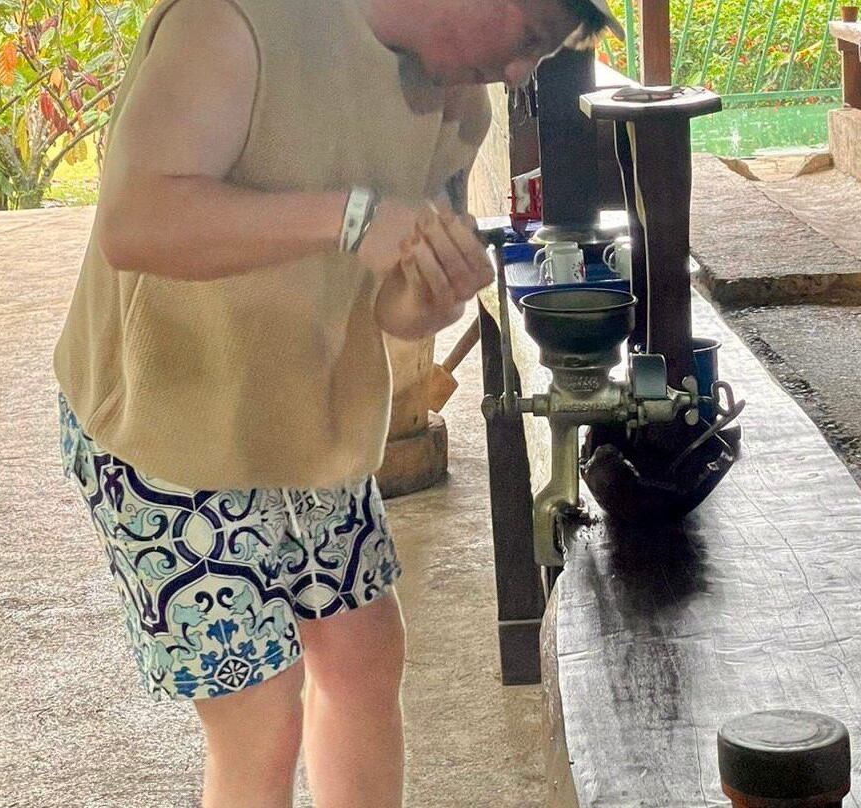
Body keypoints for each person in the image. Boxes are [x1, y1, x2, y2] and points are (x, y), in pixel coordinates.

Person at [53, 0, 623, 806]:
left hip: (307, 415)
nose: (518, 73)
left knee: (362, 660)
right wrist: (350, 217)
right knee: (260, 718)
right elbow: (135, 223)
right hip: (163, 422)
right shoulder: (233, 23)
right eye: (528, 39)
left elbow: (395, 308)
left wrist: (432, 294)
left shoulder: (458, 103)